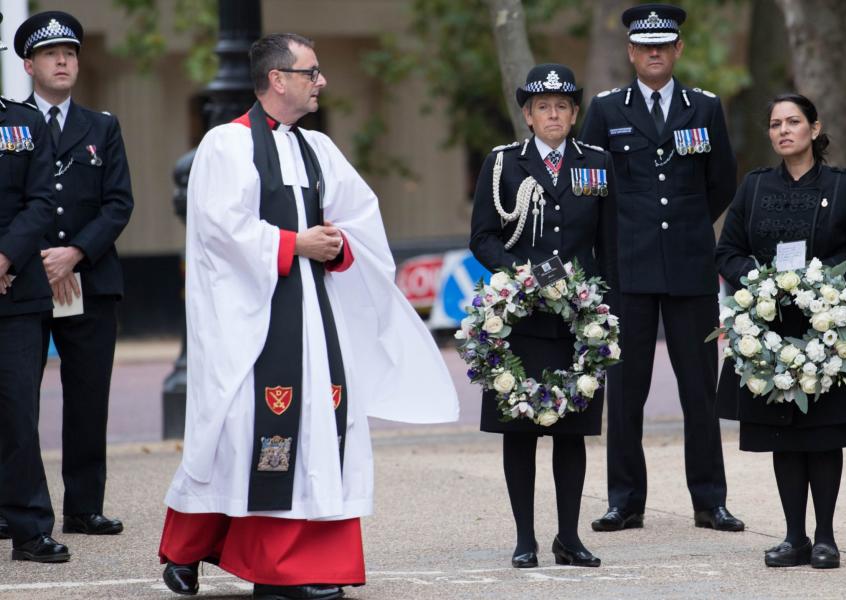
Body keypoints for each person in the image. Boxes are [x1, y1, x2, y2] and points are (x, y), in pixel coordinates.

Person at [156, 33, 458, 600]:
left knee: (319, 431)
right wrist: (296, 244)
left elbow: (360, 218)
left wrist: (337, 245)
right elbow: (221, 231)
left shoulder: (318, 149)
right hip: (256, 320)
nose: (321, 82)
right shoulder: (226, 144)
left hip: (315, 320)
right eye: (310, 72)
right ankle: (192, 548)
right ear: (277, 79)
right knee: (240, 432)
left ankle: (297, 566)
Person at [578, 3, 743, 532]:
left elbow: (721, 183)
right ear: (630, 51)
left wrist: (692, 229)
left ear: (678, 50)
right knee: (626, 392)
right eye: (644, 45)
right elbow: (593, 189)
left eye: (663, 44)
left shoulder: (705, 108)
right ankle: (625, 501)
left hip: (690, 270)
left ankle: (709, 501)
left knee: (701, 391)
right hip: (628, 271)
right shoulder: (605, 110)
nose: (654, 52)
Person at [715, 93, 846, 569]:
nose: (784, 130)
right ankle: (793, 537)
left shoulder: (844, 185)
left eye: (793, 122)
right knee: (783, 435)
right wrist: (755, 279)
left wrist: (825, 276)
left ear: (814, 129)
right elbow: (727, 251)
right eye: (775, 124)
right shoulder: (753, 188)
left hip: (828, 327)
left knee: (823, 432)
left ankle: (825, 537)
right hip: (769, 329)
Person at [470, 63, 618, 568]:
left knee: (572, 430)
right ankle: (525, 538)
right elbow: (484, 237)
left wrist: (605, 304)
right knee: (520, 429)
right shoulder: (503, 164)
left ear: (574, 114)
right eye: (542, 108)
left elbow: (610, 240)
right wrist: (525, 276)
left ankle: (569, 537)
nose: (552, 115)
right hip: (521, 320)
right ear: (528, 116)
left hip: (578, 321)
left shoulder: (597, 161)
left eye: (562, 107)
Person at [13, 10, 132, 537]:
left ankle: (84, 507)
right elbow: (10, 202)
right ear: (28, 64)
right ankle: (15, 505)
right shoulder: (11, 126)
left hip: (91, 279)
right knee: (17, 400)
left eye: (70, 53)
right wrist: (38, 257)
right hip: (25, 281)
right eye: (50, 54)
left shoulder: (102, 126)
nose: (63, 61)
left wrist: (76, 253)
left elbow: (118, 203)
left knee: (88, 396)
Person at [0, 13, 68, 562]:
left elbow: (41, 201)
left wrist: (3, 255)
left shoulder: (21, 124)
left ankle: (29, 528)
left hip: (15, 295)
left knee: (18, 414)